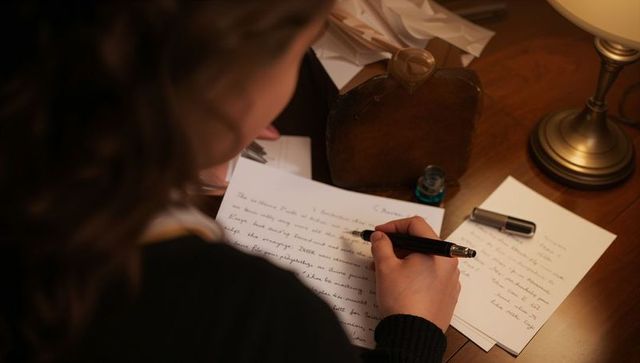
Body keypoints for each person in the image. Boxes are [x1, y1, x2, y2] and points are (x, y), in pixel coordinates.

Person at [0, 1, 461, 362]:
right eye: (303, 51)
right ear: (228, 85)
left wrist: (175, 140)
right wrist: (414, 333)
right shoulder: (257, 321)